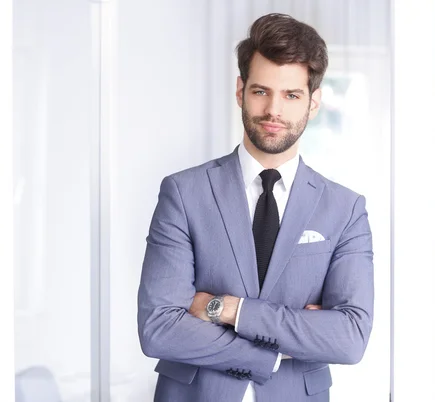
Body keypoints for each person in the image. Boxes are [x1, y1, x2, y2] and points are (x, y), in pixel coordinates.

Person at [137, 13, 374, 402]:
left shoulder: (345, 210)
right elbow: (159, 327)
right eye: (261, 92)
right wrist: (278, 350)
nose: (273, 111)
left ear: (313, 103)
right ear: (240, 91)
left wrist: (228, 309)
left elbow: (349, 338)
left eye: (291, 95)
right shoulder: (183, 193)